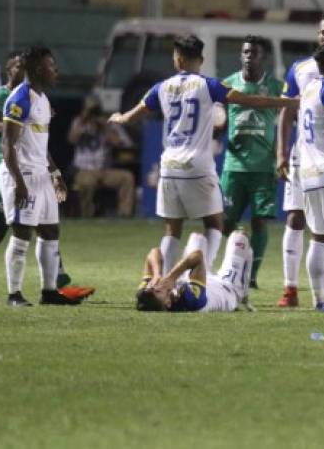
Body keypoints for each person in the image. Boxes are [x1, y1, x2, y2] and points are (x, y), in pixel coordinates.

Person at [109, 35, 296, 280]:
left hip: (169, 166)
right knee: (215, 224)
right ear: (201, 59)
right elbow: (250, 99)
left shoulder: (161, 87)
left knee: (172, 229)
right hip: (197, 166)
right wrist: (287, 101)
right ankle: (201, 274)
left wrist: (118, 117)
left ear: (177, 59)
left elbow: (133, 115)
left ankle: (163, 282)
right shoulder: (209, 85)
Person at [276, 10, 324, 307]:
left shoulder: (308, 90)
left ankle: (319, 300)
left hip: (306, 167)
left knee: (318, 236)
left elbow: (290, 107)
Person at [0, 46, 82, 306]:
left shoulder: (43, 100)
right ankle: (14, 294)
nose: (55, 70)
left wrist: (55, 172)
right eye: (51, 66)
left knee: (50, 232)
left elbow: (39, 144)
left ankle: (49, 292)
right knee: (22, 233)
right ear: (37, 69)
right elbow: (7, 145)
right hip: (21, 172)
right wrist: (19, 183)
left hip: (40, 173)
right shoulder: (19, 99)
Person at [219, 35, 285, 289]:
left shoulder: (276, 87)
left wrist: (281, 154)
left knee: (260, 220)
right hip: (233, 166)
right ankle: (235, 255)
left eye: (254, 53)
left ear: (263, 57)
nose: (248, 57)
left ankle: (252, 275)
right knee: (224, 222)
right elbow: (217, 118)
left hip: (263, 167)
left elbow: (289, 116)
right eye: (245, 52)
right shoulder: (228, 85)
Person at [135, 230, 253, 313]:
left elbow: (153, 252)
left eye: (151, 288)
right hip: (226, 288)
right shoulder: (190, 301)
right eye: (158, 292)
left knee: (196, 237)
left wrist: (157, 275)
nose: (155, 287)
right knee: (239, 237)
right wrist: (171, 278)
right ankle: (243, 294)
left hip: (201, 281)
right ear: (168, 303)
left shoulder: (146, 294)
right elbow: (198, 256)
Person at [0, 52, 24, 290]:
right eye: (19, 66)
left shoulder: (28, 95)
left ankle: (56, 280)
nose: (23, 70)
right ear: (9, 69)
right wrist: (20, 122)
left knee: (40, 225)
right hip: (2, 169)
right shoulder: (0, 95)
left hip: (24, 168)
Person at [68, 95, 135, 217]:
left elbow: (119, 142)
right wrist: (84, 119)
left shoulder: (108, 124)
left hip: (104, 171)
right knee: (87, 182)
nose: (93, 115)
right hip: (84, 171)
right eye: (90, 111)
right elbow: (72, 139)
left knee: (127, 177)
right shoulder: (79, 122)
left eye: (95, 111)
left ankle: (124, 215)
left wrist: (104, 126)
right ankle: (87, 216)